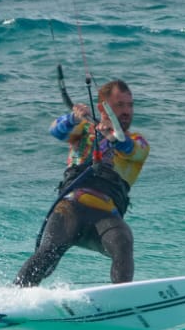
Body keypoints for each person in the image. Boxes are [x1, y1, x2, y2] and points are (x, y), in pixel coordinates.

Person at [14, 79, 149, 287]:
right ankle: (14, 297)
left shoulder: (138, 141)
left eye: (130, 105)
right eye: (119, 105)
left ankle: (122, 299)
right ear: (103, 108)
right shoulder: (84, 131)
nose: (126, 111)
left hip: (105, 216)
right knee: (47, 254)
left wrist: (112, 137)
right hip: (70, 208)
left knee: (123, 241)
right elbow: (55, 130)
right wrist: (74, 118)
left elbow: (130, 149)